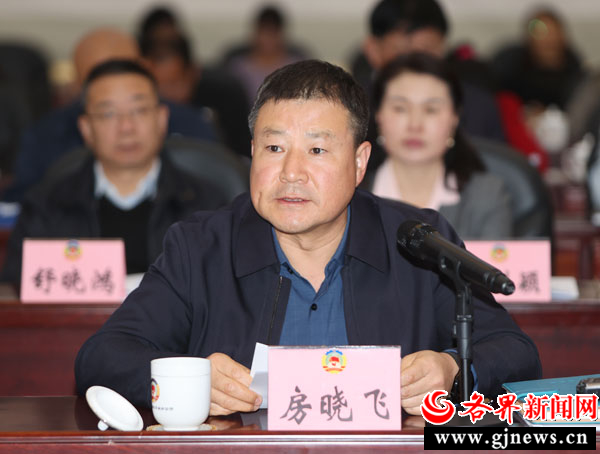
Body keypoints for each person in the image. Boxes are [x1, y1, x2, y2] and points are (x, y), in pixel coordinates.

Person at [75, 59, 540, 416]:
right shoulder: (200, 247)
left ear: (359, 162)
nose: (291, 172)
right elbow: (102, 357)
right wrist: (189, 379)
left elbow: (515, 353)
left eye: (317, 149)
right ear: (252, 152)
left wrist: (454, 369)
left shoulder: (416, 243)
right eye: (274, 147)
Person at [0, 59, 226, 285]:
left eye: (139, 110)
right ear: (86, 129)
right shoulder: (45, 207)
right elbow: (17, 290)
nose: (126, 127)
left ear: (161, 119)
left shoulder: (207, 205)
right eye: (108, 114)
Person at [1, 28, 217, 204]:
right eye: (107, 112)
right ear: (76, 86)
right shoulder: (44, 136)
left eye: (123, 70)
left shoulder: (193, 126)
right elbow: (20, 207)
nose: (126, 127)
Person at [367, 53, 512, 239]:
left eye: (431, 110)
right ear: (378, 115)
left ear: (455, 119)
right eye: (400, 108)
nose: (415, 125)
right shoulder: (350, 194)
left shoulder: (486, 196)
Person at [352, 0, 505, 172]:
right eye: (402, 53)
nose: (415, 66)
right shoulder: (348, 106)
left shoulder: (478, 107)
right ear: (373, 49)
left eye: (426, 52)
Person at [138, 6, 252, 158]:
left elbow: (242, 156)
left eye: (173, 84)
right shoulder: (138, 116)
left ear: (193, 73)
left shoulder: (225, 97)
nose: (165, 94)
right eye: (157, 88)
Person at [223, 4, 308, 106]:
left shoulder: (297, 67)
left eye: (272, 33)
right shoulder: (237, 67)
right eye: (264, 33)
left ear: (281, 35)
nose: (268, 40)